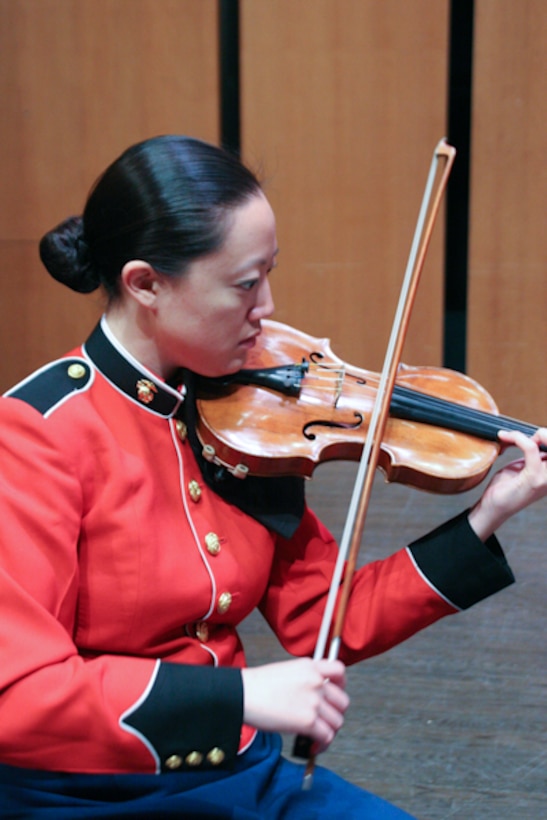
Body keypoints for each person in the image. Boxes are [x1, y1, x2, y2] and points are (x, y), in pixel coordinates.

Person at [0, 135, 545, 819]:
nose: (268, 308)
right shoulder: (34, 433)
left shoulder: (243, 421)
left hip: (240, 767)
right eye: (244, 283)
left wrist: (488, 513)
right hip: (87, 790)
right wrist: (241, 696)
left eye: (269, 274)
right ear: (146, 284)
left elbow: (328, 619)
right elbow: (16, 696)